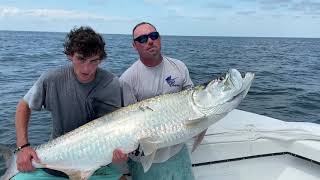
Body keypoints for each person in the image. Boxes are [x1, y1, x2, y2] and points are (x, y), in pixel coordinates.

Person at [14, 26, 127, 180]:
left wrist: (119, 153)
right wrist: (23, 146)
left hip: (98, 162)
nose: (87, 68)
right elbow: (23, 105)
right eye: (81, 59)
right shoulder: (52, 79)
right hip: (58, 158)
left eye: (94, 61)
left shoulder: (111, 83)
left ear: (101, 59)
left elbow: (114, 127)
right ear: (70, 55)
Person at [120, 22, 198, 180]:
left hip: (177, 151)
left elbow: (193, 102)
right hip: (146, 161)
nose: (149, 41)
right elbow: (128, 126)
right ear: (134, 45)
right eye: (142, 39)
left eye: (153, 36)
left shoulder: (179, 67)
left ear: (160, 38)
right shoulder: (127, 79)